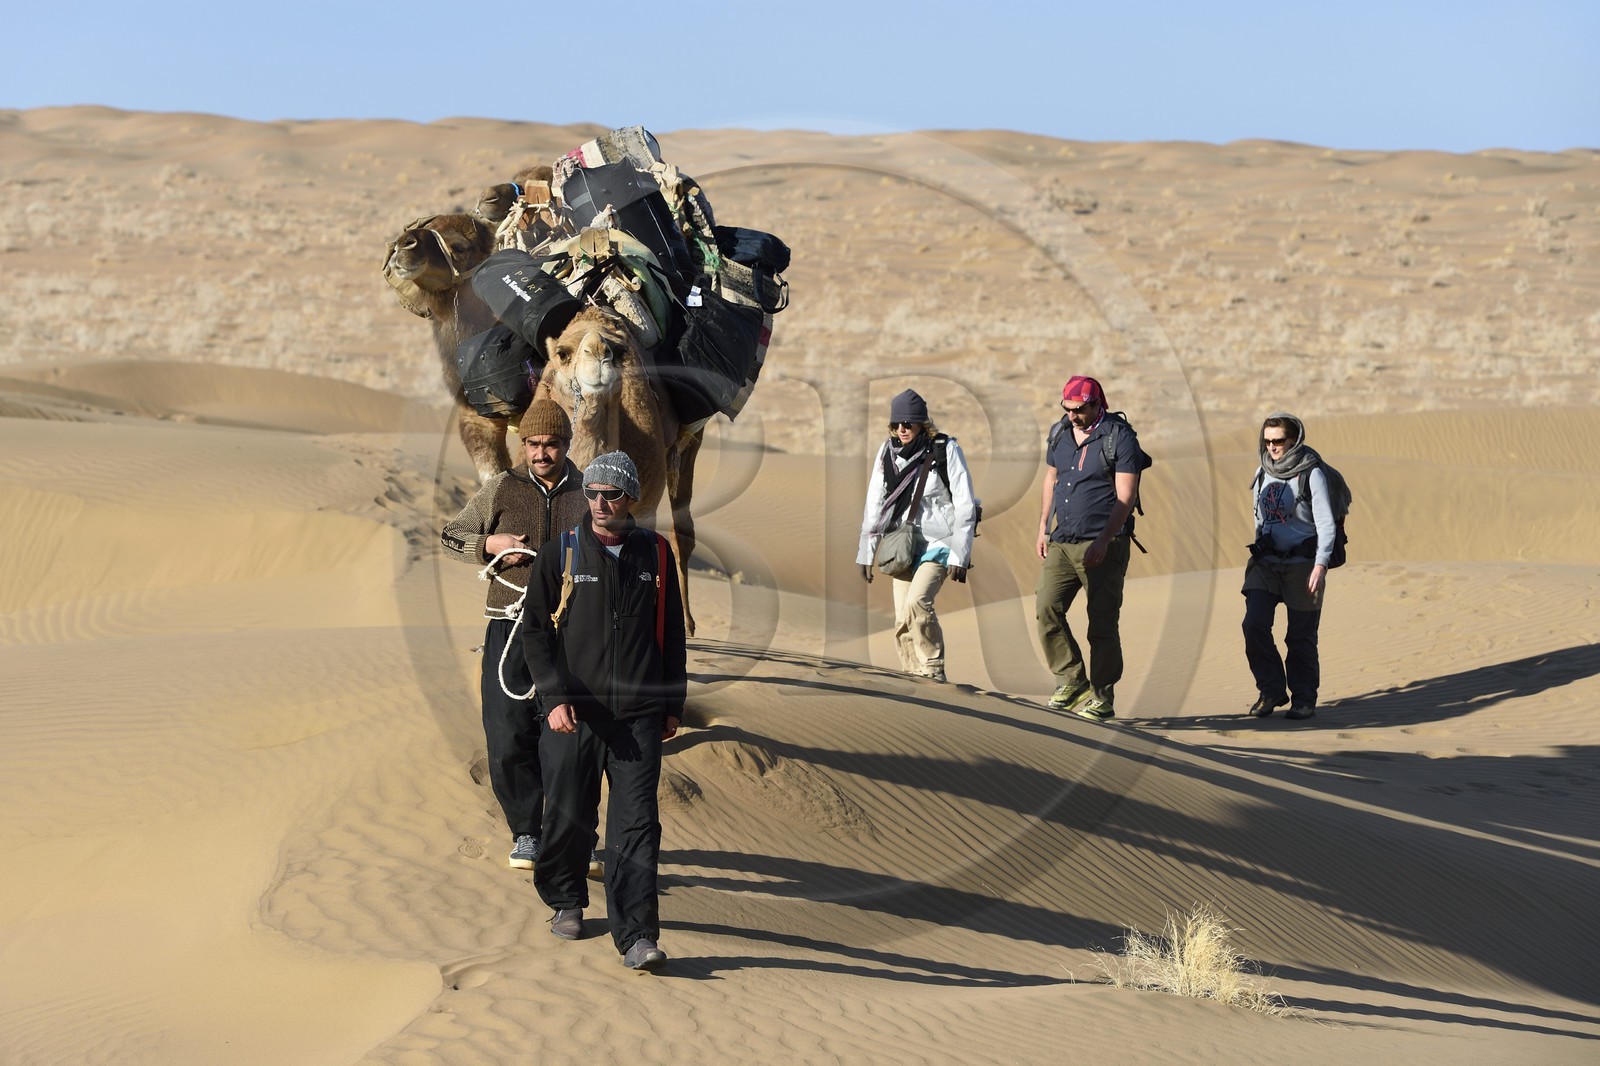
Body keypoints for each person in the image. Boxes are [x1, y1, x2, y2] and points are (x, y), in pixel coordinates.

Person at [520, 450, 685, 971]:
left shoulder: (657, 555)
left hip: (637, 717)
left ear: (630, 497)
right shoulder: (559, 554)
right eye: (590, 493)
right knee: (570, 815)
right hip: (574, 714)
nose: (598, 503)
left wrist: (672, 704)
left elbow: (673, 637)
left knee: (637, 825)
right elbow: (535, 635)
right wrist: (553, 698)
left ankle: (637, 934)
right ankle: (566, 898)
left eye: (609, 494)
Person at [441, 398, 589, 870]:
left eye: (551, 444)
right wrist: (490, 544)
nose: (540, 453)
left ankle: (575, 839)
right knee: (506, 737)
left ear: (566, 445)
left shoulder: (589, 493)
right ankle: (527, 833)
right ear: (521, 444)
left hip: (571, 636)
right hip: (509, 628)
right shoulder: (501, 488)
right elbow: (450, 535)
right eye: (532, 444)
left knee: (569, 741)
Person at [1034, 376, 1142, 721]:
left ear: (1098, 405)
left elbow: (1126, 496)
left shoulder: (1119, 437)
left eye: (1079, 410)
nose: (1073, 416)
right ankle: (1071, 679)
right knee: (1047, 609)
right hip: (1062, 540)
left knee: (1102, 624)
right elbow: (1051, 479)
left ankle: (1102, 696)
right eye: (1068, 410)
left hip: (1104, 544)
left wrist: (1103, 540)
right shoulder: (1060, 433)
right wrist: (1042, 528)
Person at [856, 389, 979, 684]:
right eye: (897, 423)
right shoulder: (887, 453)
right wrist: (866, 553)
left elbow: (965, 505)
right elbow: (875, 503)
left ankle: (933, 669)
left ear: (923, 424)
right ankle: (913, 677)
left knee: (917, 604)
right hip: (903, 545)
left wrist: (959, 556)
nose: (902, 428)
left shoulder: (945, 450)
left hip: (940, 543)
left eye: (909, 423)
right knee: (901, 617)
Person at [1242, 413, 1336, 721]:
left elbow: (1326, 523)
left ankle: (1304, 698)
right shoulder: (1263, 471)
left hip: (1303, 566)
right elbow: (1259, 517)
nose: (1271, 447)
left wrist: (1320, 566)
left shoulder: (1311, 474)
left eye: (1278, 440)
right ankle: (1271, 689)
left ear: (1294, 440)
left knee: (1300, 638)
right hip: (1266, 563)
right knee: (1253, 625)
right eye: (1267, 440)